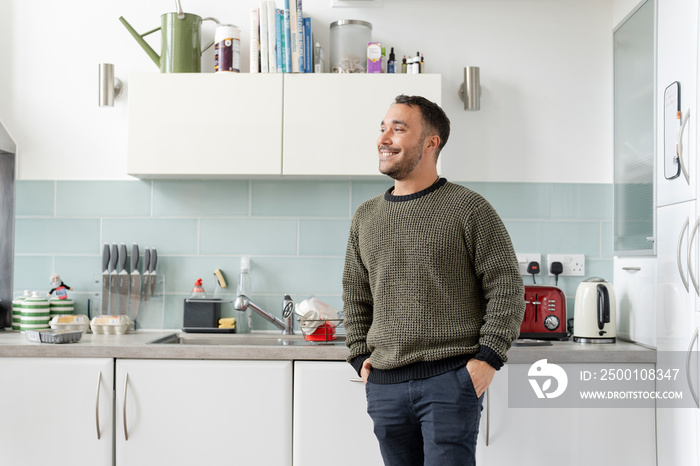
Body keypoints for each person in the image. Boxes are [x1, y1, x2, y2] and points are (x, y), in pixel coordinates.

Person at [342, 94, 525, 465]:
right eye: (382, 128)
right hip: (385, 386)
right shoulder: (366, 216)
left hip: (450, 382)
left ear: (431, 142)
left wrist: (488, 358)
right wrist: (359, 353)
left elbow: (506, 286)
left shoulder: (469, 208)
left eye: (398, 128)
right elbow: (355, 293)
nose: (384, 138)